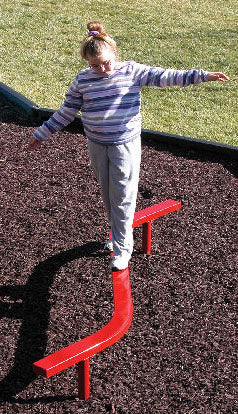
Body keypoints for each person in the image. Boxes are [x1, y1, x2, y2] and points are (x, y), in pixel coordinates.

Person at [28, 21, 229, 271]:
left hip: (125, 144)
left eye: (106, 62)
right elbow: (67, 111)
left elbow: (166, 76)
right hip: (97, 145)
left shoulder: (131, 72)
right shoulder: (83, 80)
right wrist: (43, 133)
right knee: (108, 195)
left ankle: (123, 248)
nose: (102, 69)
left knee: (123, 195)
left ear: (114, 53)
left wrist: (203, 75)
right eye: (95, 65)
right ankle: (118, 236)